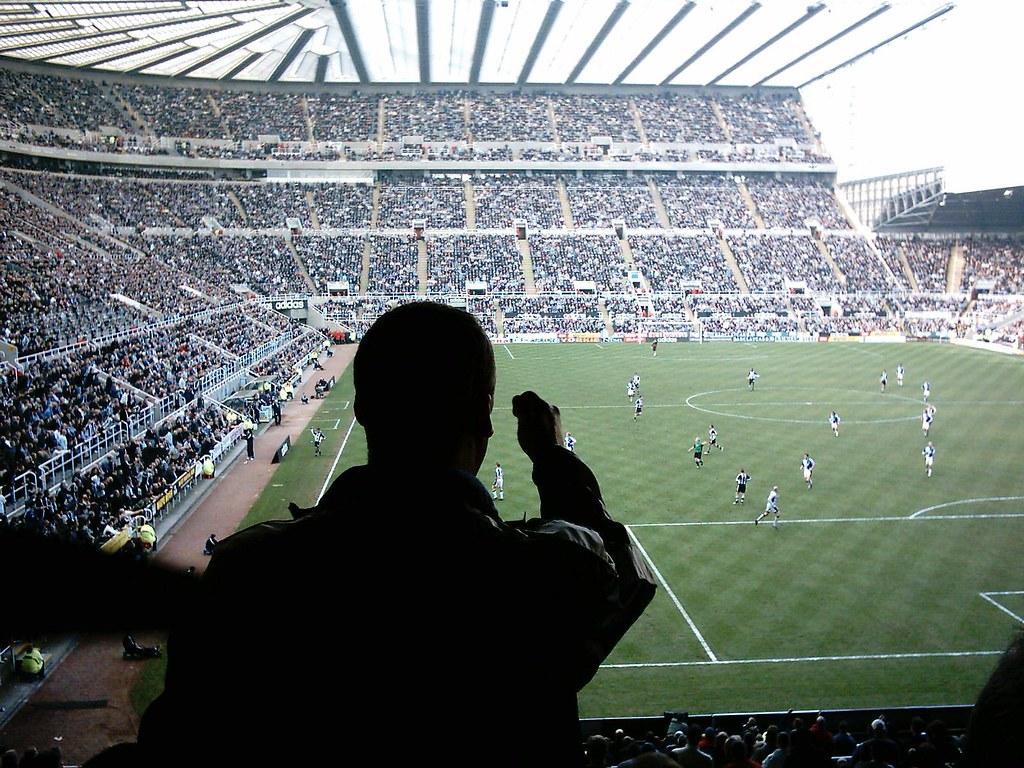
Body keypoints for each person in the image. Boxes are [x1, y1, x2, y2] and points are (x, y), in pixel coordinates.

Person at [138, 302, 656, 767]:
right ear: (484, 416)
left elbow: (175, 742)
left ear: (363, 409)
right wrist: (551, 456)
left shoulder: (247, 572)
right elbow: (618, 567)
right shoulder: (535, 575)